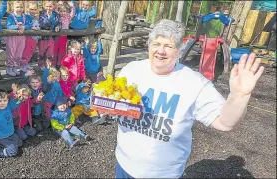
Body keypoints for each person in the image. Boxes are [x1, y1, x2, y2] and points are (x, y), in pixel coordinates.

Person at [113, 19, 264, 178]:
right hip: (124, 165)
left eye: (169, 46)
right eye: (156, 44)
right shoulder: (131, 70)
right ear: (149, 46)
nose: (161, 51)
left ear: (178, 51)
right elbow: (114, 104)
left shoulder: (194, 83)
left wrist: (239, 96)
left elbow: (225, 123)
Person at [6, 1, 32, 76]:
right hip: (12, 38)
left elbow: (29, 25)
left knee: (19, 53)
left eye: (21, 7)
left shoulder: (24, 16)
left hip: (21, 38)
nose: (19, 9)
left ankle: (15, 67)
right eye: (17, 7)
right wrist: (17, 26)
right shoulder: (11, 16)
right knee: (11, 53)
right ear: (13, 7)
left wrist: (24, 27)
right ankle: (9, 68)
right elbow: (9, 26)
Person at [53, 1, 75, 68]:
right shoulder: (58, 16)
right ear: (59, 11)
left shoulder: (68, 16)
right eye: (61, 11)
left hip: (64, 36)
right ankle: (53, 64)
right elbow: (55, 9)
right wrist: (59, 3)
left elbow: (72, 13)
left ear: (66, 11)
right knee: (55, 50)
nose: (62, 13)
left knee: (62, 51)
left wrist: (72, 6)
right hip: (57, 36)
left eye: (64, 11)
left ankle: (60, 64)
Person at [39, 1, 60, 66]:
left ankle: (48, 64)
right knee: (42, 51)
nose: (48, 8)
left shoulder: (56, 14)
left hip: (52, 36)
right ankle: (41, 64)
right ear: (44, 6)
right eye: (47, 6)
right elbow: (42, 24)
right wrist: (48, 17)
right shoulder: (42, 14)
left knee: (50, 52)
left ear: (53, 6)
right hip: (43, 37)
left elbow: (59, 22)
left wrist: (58, 26)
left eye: (50, 6)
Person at [21, 1, 40, 71]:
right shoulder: (25, 16)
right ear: (28, 9)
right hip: (28, 37)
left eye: (35, 9)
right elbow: (24, 25)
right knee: (26, 51)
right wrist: (30, 27)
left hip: (34, 38)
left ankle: (26, 63)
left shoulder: (36, 17)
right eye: (31, 9)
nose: (33, 11)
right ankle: (23, 65)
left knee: (32, 50)